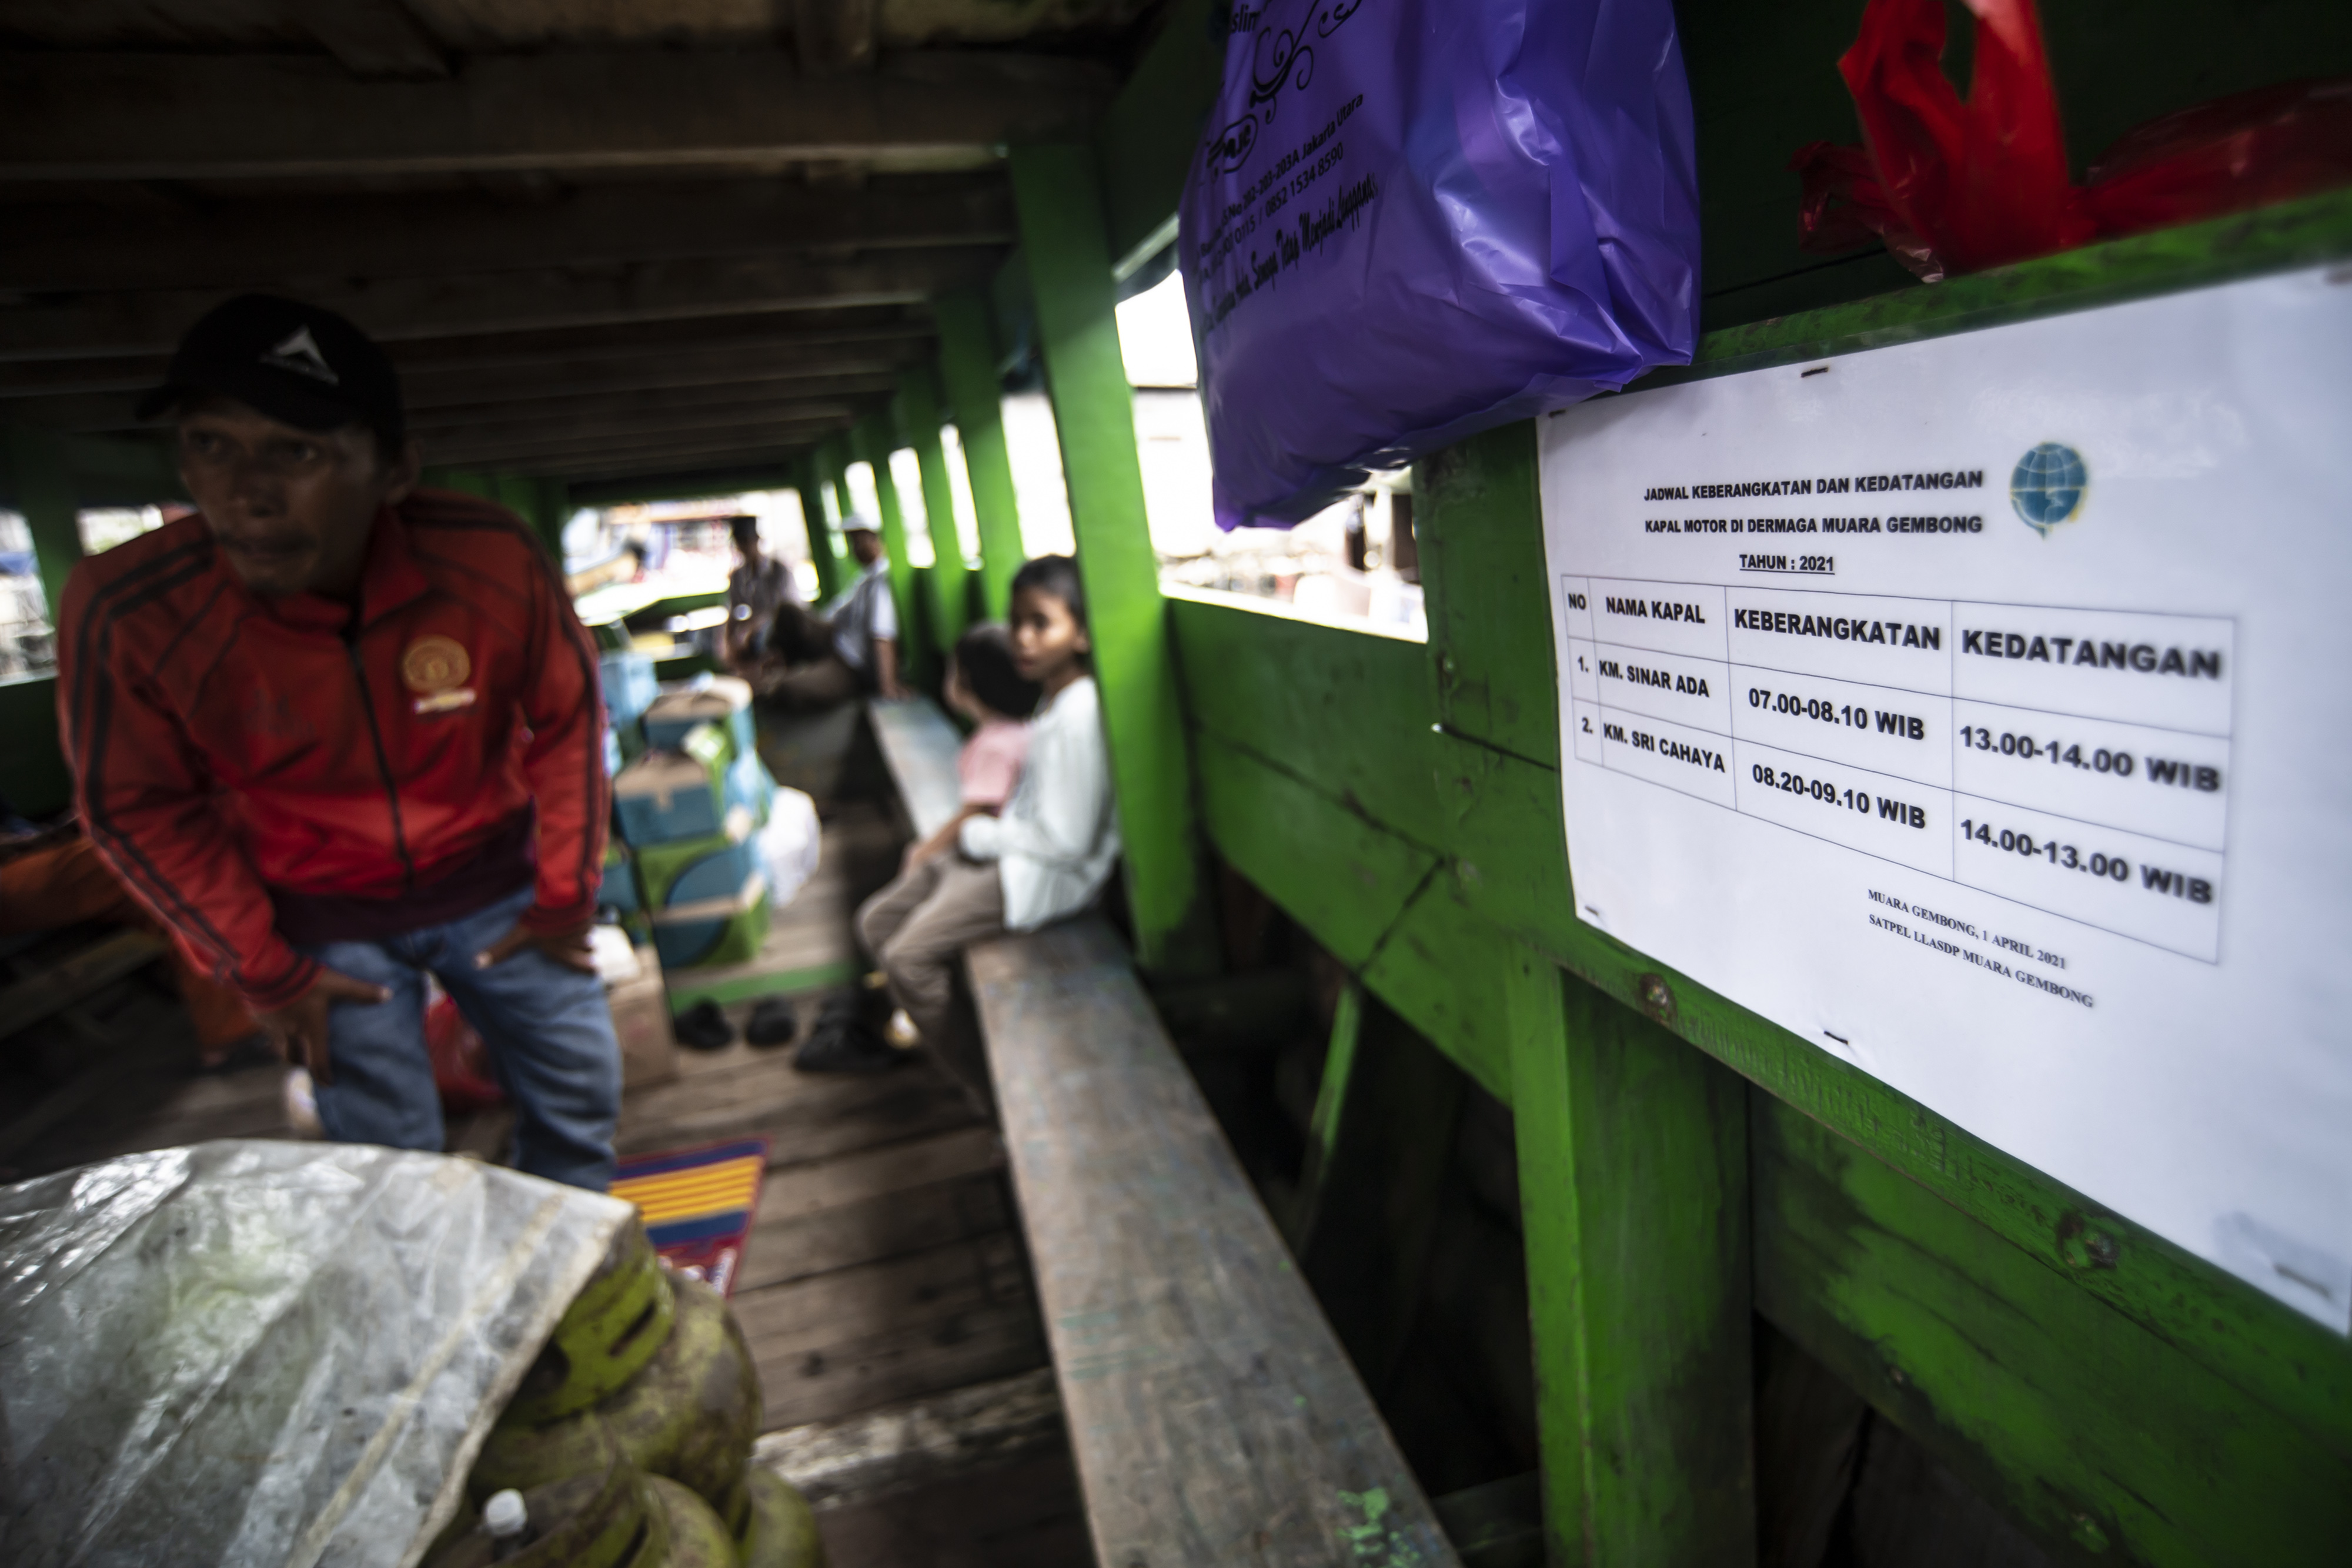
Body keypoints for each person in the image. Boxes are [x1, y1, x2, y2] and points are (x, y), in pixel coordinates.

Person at [55, 293, 622, 1191]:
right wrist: (264, 968)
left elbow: (569, 722)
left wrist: (562, 896)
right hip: (318, 923)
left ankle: (576, 1268)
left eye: (298, 451)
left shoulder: (488, 557)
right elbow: (134, 805)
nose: (246, 492)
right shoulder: (129, 607)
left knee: (580, 1096)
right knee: (387, 1167)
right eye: (210, 444)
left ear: (395, 470)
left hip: (497, 892)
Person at [818, 557, 1118, 1110]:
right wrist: (981, 836)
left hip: (1036, 875)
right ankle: (947, 1030)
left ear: (1080, 632)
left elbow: (1068, 842)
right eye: (1016, 622)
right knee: (875, 922)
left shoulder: (1080, 715)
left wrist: (982, 835)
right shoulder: (1054, 701)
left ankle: (989, 1088)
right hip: (1006, 853)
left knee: (907, 958)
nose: (1023, 639)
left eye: (1041, 623)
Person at [756, 525, 905, 707]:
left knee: (785, 689)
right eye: (854, 542)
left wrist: (887, 686)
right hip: (835, 639)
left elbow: (883, 635)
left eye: (861, 541)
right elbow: (832, 615)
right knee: (787, 611)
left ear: (877, 540)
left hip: (849, 663)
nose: (856, 548)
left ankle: (774, 684)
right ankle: (777, 662)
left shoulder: (881, 580)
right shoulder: (865, 577)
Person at [721, 514, 797, 671]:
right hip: (758, 632)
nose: (743, 548)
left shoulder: (778, 570)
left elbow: (782, 610)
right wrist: (728, 642)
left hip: (783, 628)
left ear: (757, 541)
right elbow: (733, 611)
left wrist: (749, 630)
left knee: (762, 639)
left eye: (747, 541)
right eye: (739, 543)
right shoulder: (739, 576)